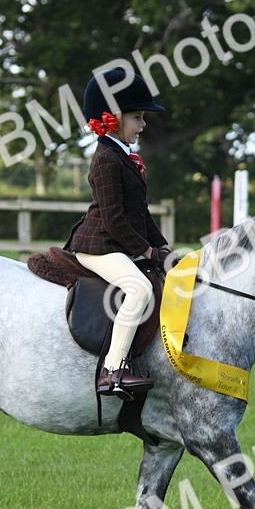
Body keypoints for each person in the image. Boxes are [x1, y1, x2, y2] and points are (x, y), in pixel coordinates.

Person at [64, 67, 171, 398]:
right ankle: (112, 371)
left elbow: (140, 212)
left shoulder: (125, 156)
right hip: (98, 246)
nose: (143, 124)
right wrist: (148, 252)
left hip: (116, 242)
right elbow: (113, 220)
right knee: (138, 288)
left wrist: (163, 246)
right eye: (137, 117)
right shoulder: (106, 160)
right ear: (111, 118)